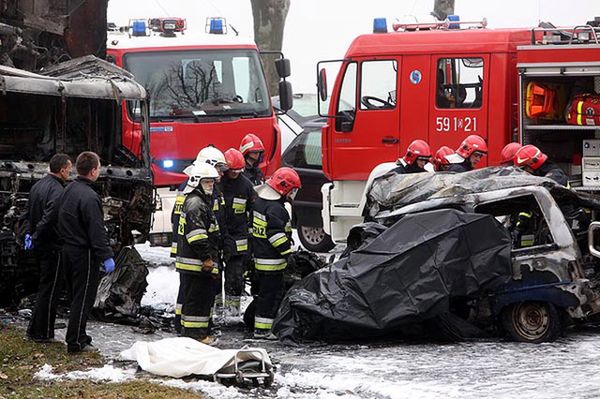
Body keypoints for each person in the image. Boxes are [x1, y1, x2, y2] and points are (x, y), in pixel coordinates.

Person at [58, 152, 114, 354]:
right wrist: (106, 255)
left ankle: (77, 337)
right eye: (98, 168)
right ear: (92, 171)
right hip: (84, 253)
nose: (99, 171)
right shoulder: (90, 197)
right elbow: (96, 230)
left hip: (67, 250)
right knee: (83, 298)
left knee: (75, 296)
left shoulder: (69, 188)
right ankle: (76, 341)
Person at [173, 145, 227, 333]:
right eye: (209, 181)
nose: (213, 183)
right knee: (194, 298)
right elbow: (196, 234)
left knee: (195, 297)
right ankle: (192, 333)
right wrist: (207, 257)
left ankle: (191, 329)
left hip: (195, 256)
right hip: (195, 258)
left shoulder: (201, 197)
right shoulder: (196, 202)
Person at [23, 153, 72, 343]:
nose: (70, 172)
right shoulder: (58, 190)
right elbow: (50, 216)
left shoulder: (38, 185)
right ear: (62, 170)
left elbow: (28, 213)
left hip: (40, 245)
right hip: (53, 245)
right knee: (50, 290)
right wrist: (36, 235)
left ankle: (37, 329)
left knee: (44, 287)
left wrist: (30, 233)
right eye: (69, 168)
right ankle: (42, 332)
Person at [251, 167, 301, 339]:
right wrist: (288, 253)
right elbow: (275, 235)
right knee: (271, 296)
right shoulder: (276, 209)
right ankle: (263, 330)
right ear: (284, 187)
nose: (294, 194)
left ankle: (260, 328)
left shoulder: (260, 203)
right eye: (293, 190)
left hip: (260, 257)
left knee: (264, 294)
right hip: (272, 261)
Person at [221, 148, 256, 317]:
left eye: (238, 171)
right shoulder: (217, 182)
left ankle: (232, 312)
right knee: (212, 277)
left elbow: (254, 210)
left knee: (235, 276)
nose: (235, 174)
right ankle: (214, 310)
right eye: (232, 171)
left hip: (238, 237)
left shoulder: (246, 185)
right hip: (218, 236)